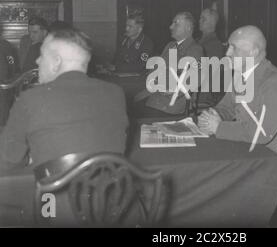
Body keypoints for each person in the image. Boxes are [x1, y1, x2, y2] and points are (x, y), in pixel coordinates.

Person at [0, 28, 129, 171]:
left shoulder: (30, 99)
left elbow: (9, 160)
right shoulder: (115, 93)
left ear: (56, 61)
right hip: (106, 190)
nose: (37, 60)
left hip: (51, 192)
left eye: (42, 55)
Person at [198, 25, 277, 180]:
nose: (227, 53)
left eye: (233, 48)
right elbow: (227, 107)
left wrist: (219, 127)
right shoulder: (241, 76)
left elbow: (261, 133)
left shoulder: (275, 82)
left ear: (253, 52)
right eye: (228, 46)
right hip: (253, 148)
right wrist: (212, 115)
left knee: (222, 180)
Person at [142, 12, 204, 116]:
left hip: (171, 104)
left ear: (188, 28)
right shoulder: (170, 46)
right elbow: (155, 70)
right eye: (172, 23)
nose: (171, 27)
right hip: (154, 98)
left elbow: (192, 80)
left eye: (176, 24)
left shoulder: (195, 50)